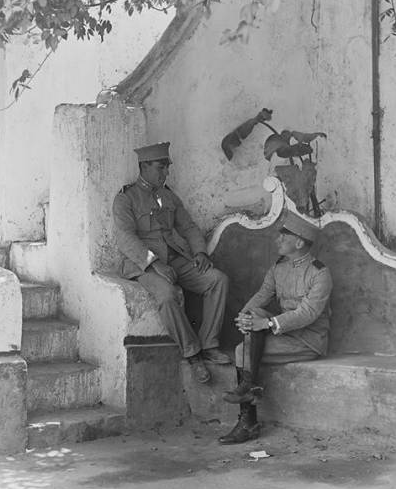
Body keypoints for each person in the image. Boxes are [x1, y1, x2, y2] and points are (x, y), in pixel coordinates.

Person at [112, 142, 232, 383]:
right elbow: (125, 238)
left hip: (176, 259)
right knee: (167, 295)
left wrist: (200, 252)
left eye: (167, 167)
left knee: (218, 280)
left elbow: (187, 226)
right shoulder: (126, 199)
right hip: (143, 265)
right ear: (144, 166)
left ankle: (209, 344)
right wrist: (154, 264)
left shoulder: (168, 196)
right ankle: (193, 353)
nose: (165, 172)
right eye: (160, 167)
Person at [219, 211, 333, 444]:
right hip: (284, 334)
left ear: (299, 242)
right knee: (254, 314)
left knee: (242, 351)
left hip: (307, 339)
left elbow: (308, 313)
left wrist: (268, 323)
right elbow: (262, 295)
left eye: (284, 237)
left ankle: (247, 423)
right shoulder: (278, 268)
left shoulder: (320, 273)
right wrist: (245, 316)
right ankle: (249, 388)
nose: (277, 240)